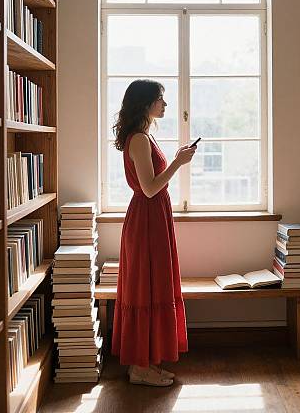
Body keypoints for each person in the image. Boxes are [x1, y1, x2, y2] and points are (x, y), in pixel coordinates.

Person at [111, 79, 196, 386]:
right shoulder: (139, 140)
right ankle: (139, 367)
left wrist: (175, 161)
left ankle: (146, 361)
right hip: (147, 218)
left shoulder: (143, 136)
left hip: (153, 218)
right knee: (145, 286)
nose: (165, 104)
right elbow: (149, 189)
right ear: (145, 103)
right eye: (160, 99)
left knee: (152, 285)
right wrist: (178, 162)